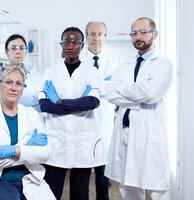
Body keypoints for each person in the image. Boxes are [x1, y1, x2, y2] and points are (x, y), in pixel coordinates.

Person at [104, 17, 173, 200]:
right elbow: (111, 94)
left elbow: (151, 94)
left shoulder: (163, 63)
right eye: (134, 33)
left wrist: (124, 94)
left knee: (158, 190)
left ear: (155, 34)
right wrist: (137, 95)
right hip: (125, 132)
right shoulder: (125, 65)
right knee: (128, 189)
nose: (137, 37)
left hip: (149, 134)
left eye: (143, 32)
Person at [38, 27, 107, 200]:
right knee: (51, 193)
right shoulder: (51, 71)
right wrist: (79, 103)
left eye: (75, 41)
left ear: (82, 45)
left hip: (82, 143)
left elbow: (92, 102)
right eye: (66, 42)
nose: (70, 45)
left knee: (81, 194)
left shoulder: (91, 71)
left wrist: (59, 101)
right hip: (57, 141)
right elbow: (44, 104)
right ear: (61, 45)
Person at [0, 64, 55, 200]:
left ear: (22, 89)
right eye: (9, 82)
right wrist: (27, 147)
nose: (14, 88)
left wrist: (13, 150)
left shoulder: (32, 114)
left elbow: (45, 154)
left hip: (30, 177)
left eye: (19, 84)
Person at [80, 21, 119, 200]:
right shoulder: (77, 61)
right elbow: (79, 91)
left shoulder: (115, 62)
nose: (96, 38)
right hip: (83, 121)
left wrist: (94, 87)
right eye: (92, 34)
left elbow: (115, 90)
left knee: (103, 173)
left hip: (104, 122)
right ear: (86, 36)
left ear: (105, 36)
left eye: (100, 34)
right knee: (83, 172)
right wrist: (103, 86)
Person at [2, 34, 43, 110]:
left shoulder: (33, 73)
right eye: (13, 48)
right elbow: (9, 101)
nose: (18, 52)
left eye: (21, 48)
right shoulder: (2, 76)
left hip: (35, 117)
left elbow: (43, 94)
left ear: (26, 51)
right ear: (6, 52)